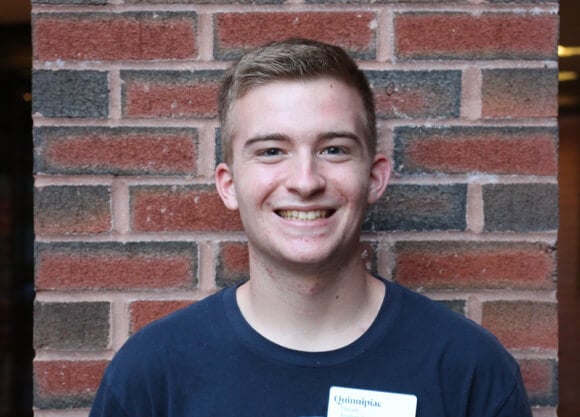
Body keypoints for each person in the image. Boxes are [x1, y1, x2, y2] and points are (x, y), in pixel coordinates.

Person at [89, 38, 533, 417]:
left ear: (375, 178)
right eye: (270, 151)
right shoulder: (150, 377)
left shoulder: (470, 370)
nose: (305, 181)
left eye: (334, 149)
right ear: (228, 185)